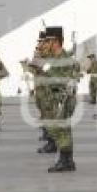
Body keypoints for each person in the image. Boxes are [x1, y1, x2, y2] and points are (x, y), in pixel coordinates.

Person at [40, 27, 80, 172]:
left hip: (63, 98)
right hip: (56, 97)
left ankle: (65, 160)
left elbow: (69, 79)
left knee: (60, 129)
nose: (46, 44)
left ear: (56, 41)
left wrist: (47, 75)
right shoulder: (54, 59)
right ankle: (68, 160)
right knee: (62, 129)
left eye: (48, 41)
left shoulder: (64, 59)